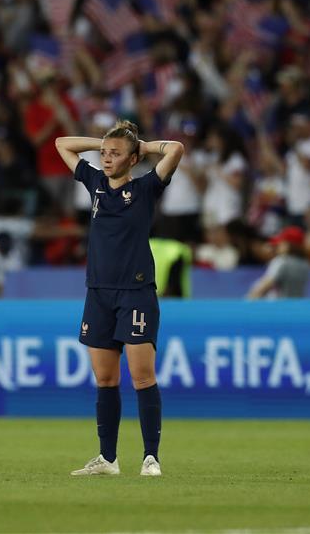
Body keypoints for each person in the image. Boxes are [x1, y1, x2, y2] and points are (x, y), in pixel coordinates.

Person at [55, 120, 184, 477]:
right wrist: (106, 141)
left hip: (136, 292)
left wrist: (142, 146)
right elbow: (62, 142)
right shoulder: (95, 183)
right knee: (105, 379)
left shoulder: (145, 188)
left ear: (132, 160)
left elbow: (175, 149)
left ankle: (150, 457)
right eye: (104, 154)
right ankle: (108, 459)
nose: (106, 159)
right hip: (97, 293)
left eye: (115, 155)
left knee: (142, 376)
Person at [247, 226, 310, 299]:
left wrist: (247, 304)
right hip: (297, 308)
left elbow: (260, 289)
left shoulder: (281, 262)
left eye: (281, 242)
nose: (278, 245)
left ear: (289, 245)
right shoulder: (305, 265)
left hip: (277, 308)